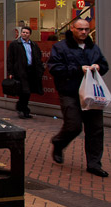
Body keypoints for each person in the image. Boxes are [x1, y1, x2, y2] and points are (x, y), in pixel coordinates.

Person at [47, 18, 109, 177]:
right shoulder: (60, 47)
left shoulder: (93, 48)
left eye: (87, 29)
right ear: (72, 29)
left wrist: (98, 67)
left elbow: (104, 65)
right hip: (70, 92)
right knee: (73, 125)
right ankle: (59, 143)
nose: (84, 32)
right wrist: (77, 69)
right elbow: (55, 68)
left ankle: (94, 164)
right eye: (80, 29)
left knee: (95, 130)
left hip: (92, 95)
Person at [7, 26, 44, 119]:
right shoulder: (14, 44)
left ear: (29, 34)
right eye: (23, 32)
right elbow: (10, 59)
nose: (24, 34)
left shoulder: (34, 45)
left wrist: (40, 70)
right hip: (20, 71)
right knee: (24, 91)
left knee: (28, 91)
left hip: (31, 71)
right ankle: (22, 109)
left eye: (27, 33)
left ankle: (23, 109)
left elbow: (38, 57)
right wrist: (10, 72)